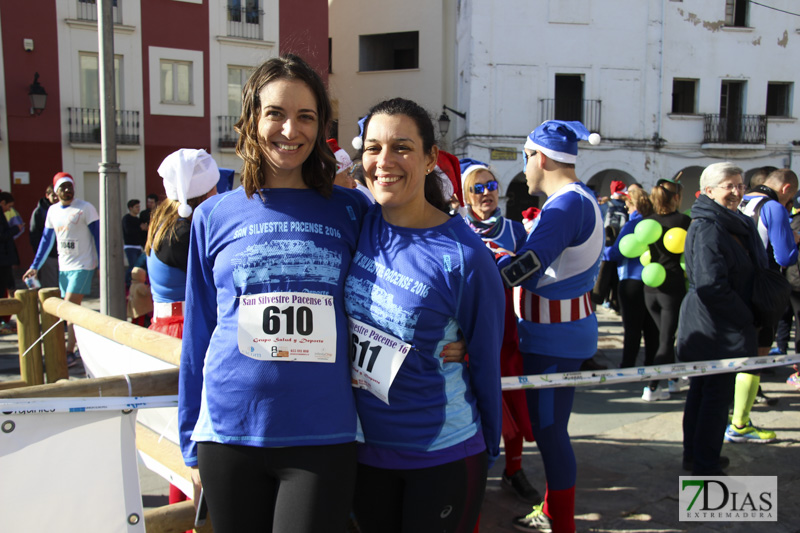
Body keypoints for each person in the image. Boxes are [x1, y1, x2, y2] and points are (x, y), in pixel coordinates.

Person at [178, 54, 371, 533]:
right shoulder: (213, 215)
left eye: (306, 116)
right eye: (275, 114)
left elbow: (390, 300)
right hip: (228, 432)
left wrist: (451, 337)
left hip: (322, 432)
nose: (291, 129)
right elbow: (197, 333)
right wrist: (188, 436)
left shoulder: (353, 210)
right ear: (250, 121)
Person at [346, 98, 503, 533]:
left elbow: (489, 363)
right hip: (364, 452)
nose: (384, 161)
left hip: (443, 454)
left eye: (402, 147)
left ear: (431, 157)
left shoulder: (466, 257)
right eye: (373, 148)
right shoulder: (357, 221)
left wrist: (489, 449)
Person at [500, 120, 603, 533]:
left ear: (539, 157)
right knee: (550, 428)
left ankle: (561, 522)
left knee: (550, 432)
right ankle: (553, 511)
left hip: (551, 339)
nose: (524, 169)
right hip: (561, 334)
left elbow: (529, 265)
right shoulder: (579, 198)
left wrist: (483, 278)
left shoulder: (564, 204)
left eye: (525, 159)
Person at [677, 161, 765, 474]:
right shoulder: (708, 226)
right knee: (713, 396)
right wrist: (747, 316)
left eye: (740, 185)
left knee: (706, 394)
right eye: (729, 185)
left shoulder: (729, 221)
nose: (737, 191)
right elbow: (710, 284)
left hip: (719, 323)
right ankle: (704, 463)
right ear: (710, 191)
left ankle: (699, 455)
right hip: (713, 326)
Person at [460, 157, 539, 505]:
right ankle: (469, 473)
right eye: (477, 188)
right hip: (471, 328)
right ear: (465, 195)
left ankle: (514, 468)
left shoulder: (514, 230)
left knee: (512, 397)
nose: (486, 193)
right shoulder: (456, 228)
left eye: (491, 185)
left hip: (508, 328)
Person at [727, 168, 799, 442]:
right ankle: (740, 424)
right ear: (785, 189)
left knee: (733, 354)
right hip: (762, 290)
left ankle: (729, 416)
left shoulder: (740, 201)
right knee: (756, 355)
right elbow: (785, 257)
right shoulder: (773, 208)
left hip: (733, 286)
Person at [24, 173, 99, 367]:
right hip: (63, 267)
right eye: (62, 187)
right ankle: (82, 347)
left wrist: (101, 264)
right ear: (55, 191)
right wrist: (34, 266)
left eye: (69, 186)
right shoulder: (52, 212)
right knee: (72, 311)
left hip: (83, 265)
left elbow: (99, 237)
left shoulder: (85, 208)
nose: (67, 190)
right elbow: (46, 241)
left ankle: (69, 351)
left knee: (67, 308)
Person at [641, 177, 691, 401]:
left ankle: (672, 380)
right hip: (672, 287)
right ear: (676, 198)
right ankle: (651, 388)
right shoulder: (683, 220)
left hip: (650, 286)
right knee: (666, 340)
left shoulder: (648, 221)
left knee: (661, 338)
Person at [603, 186, 659, 368]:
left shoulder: (633, 224)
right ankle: (652, 364)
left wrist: (601, 251)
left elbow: (616, 252)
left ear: (634, 204)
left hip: (630, 281)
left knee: (632, 328)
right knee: (651, 328)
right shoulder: (654, 222)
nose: (626, 208)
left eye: (628, 205)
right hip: (652, 280)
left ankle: (628, 365)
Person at [29, 185, 59, 288]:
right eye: (53, 195)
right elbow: (34, 235)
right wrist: (41, 256)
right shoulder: (39, 212)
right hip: (49, 256)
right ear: (47, 195)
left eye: (57, 195)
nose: (56, 198)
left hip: (64, 255)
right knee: (51, 287)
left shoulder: (65, 210)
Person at [0, 192, 21, 332]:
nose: (9, 209)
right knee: (2, 291)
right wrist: (16, 229)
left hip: (4, 260)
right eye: (9, 206)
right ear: (2, 202)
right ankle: (2, 322)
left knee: (5, 289)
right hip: (2, 260)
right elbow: (2, 236)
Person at [122, 199, 146, 279]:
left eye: (139, 207)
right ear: (130, 208)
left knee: (139, 267)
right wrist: (140, 228)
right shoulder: (126, 219)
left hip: (138, 247)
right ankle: (128, 283)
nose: (138, 209)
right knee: (133, 267)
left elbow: (140, 234)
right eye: (136, 207)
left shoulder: (138, 220)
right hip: (130, 247)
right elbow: (128, 231)